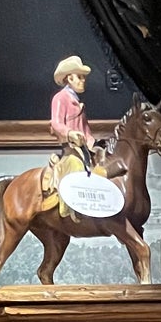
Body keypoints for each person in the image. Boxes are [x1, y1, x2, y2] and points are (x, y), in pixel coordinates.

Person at [47, 56, 104, 214]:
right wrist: (70, 133)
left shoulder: (78, 103)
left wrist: (94, 145)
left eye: (83, 77)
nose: (82, 81)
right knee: (75, 164)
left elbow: (86, 131)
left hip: (84, 147)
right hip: (71, 147)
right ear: (69, 78)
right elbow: (56, 123)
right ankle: (68, 206)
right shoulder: (60, 98)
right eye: (79, 77)